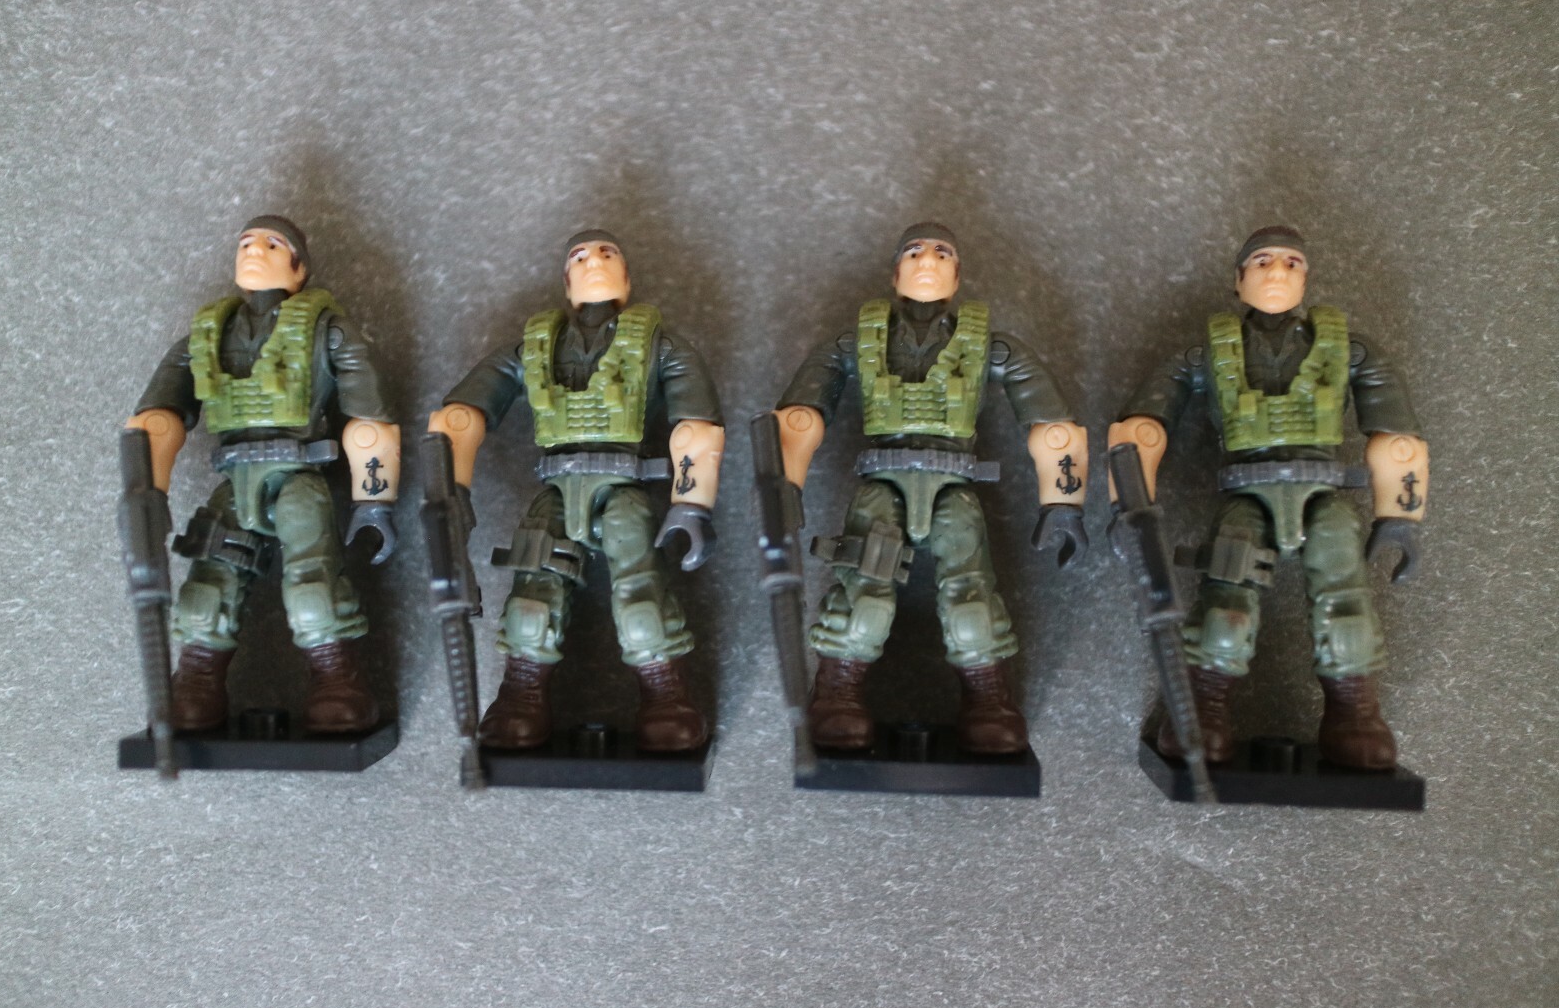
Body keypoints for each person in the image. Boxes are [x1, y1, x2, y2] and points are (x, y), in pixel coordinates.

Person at [1108, 226, 1428, 769]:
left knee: (1345, 598)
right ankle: (1205, 705)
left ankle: (1355, 710)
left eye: (1291, 263)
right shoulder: (1206, 354)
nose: (1277, 272)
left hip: (1323, 492)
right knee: (1225, 598)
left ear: (1306, 278)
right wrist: (1131, 509)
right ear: (1238, 279)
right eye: (1261, 262)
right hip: (1246, 491)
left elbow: (1395, 435)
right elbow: (1143, 428)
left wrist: (1398, 515)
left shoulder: (1347, 351)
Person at [775, 223, 1089, 754]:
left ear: (958, 275)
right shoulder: (857, 343)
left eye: (942, 253)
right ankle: (837, 690)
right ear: (894, 272)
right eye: (915, 252)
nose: (927, 260)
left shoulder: (991, 347)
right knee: (863, 588)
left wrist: (1062, 500)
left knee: (972, 595)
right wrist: (785, 485)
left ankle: (988, 697)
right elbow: (801, 416)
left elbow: (1051, 426)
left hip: (954, 484)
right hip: (883, 482)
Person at [429, 230, 724, 752]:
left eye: (608, 253)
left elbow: (695, 424)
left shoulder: (658, 346)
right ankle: (521, 690)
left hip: (625, 485)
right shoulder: (534, 348)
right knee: (533, 588)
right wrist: (451, 491)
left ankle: (665, 692)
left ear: (627, 278)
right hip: (557, 487)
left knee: (641, 591)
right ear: (566, 282)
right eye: (581, 257)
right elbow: (462, 414)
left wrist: (691, 501)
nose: (594, 262)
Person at [126, 216, 399, 733]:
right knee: (210, 579)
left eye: (273, 244)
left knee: (313, 580)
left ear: (299, 268)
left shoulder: (327, 332)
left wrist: (374, 500)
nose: (254, 250)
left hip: (299, 475)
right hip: (236, 478)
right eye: (246, 243)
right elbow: (158, 418)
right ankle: (197, 677)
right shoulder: (206, 336)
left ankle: (336, 677)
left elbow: (368, 422)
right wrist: (147, 495)